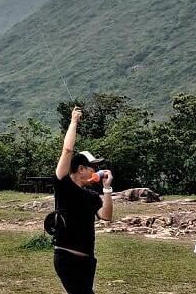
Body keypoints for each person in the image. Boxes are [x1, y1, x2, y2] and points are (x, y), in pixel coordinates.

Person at [52, 106, 114, 294]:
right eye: (93, 167)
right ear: (80, 169)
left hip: (87, 261)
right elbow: (67, 150)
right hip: (66, 259)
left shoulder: (92, 196)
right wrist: (73, 121)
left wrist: (107, 188)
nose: (96, 171)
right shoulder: (64, 185)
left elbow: (106, 216)